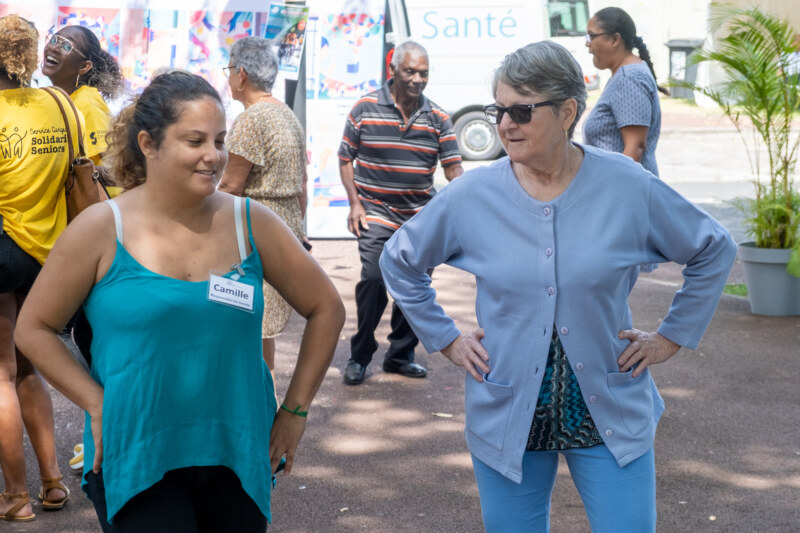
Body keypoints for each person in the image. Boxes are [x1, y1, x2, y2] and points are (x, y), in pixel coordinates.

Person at [379, 42, 737, 532]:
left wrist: (672, 336)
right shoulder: (472, 196)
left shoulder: (626, 186)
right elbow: (398, 260)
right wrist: (445, 338)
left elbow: (714, 248)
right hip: (506, 406)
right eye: (499, 109)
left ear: (568, 110)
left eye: (521, 111)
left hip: (609, 403)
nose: (505, 125)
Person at [16, 71, 345, 531]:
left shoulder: (250, 221)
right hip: (133, 447)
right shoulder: (99, 228)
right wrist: (95, 402)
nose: (213, 156)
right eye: (195, 141)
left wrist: (295, 411)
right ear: (149, 143)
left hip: (237, 451)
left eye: (220, 140)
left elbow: (327, 308)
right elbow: (33, 327)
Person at [338, 40, 463, 386]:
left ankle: (399, 356)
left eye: (423, 73)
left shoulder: (438, 118)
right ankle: (360, 354)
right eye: (410, 71)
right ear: (392, 70)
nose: (417, 79)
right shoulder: (364, 108)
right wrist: (354, 203)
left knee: (414, 285)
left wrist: (465, 203)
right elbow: (345, 157)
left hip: (420, 217)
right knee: (374, 280)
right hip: (375, 212)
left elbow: (453, 170)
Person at [0, 14, 75, 522]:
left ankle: (14, 498)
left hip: (3, 252)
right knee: (30, 367)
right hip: (51, 256)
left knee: (0, 375)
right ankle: (52, 482)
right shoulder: (59, 102)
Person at [41, 22, 124, 474]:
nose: (52, 48)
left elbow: (102, 174)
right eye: (52, 40)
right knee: (86, 336)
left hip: (96, 242)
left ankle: (110, 426)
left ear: (85, 65)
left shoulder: (87, 104)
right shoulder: (66, 101)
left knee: (74, 335)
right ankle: (109, 427)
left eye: (64, 45)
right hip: (88, 239)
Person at [218, 36, 308, 371]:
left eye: (228, 70)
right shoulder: (285, 113)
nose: (228, 78)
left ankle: (254, 402)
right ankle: (262, 398)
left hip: (254, 230)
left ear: (241, 74)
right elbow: (302, 188)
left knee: (248, 323)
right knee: (261, 328)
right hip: (284, 224)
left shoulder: (251, 119)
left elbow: (229, 187)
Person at [582, 7, 668, 178]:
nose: (587, 43)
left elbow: (635, 149)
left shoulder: (629, 78)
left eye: (592, 36)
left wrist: (613, 193)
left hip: (624, 194)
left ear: (615, 39)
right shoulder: (625, 75)